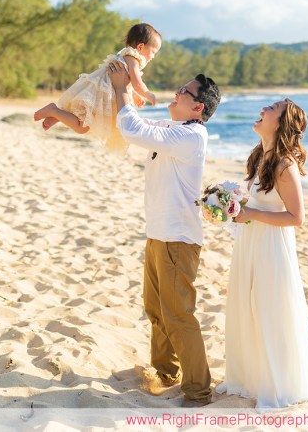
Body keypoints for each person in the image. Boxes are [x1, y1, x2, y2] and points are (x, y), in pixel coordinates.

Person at [108, 62, 221, 408]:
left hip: (178, 238)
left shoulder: (190, 136)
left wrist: (120, 88)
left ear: (198, 106)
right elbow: (133, 124)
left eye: (183, 91)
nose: (176, 93)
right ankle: (166, 372)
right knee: (155, 309)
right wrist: (123, 92)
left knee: (178, 315)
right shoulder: (176, 128)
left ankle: (199, 390)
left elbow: (134, 130)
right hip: (159, 233)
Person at [215, 99, 308, 410]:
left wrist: (249, 213)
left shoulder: (284, 165)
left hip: (271, 248)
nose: (264, 108)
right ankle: (252, 376)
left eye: (272, 107)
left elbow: (296, 217)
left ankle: (280, 381)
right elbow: (253, 205)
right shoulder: (259, 156)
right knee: (248, 307)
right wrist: (230, 205)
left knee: (269, 309)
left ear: (279, 123)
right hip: (250, 244)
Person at [33, 23, 161, 150]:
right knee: (82, 127)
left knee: (81, 122)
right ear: (140, 47)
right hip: (101, 95)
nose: (153, 56)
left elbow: (126, 81)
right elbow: (137, 83)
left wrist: (135, 95)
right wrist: (148, 94)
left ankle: (57, 115)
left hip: (100, 92)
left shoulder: (125, 56)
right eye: (153, 52)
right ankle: (54, 111)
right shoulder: (133, 60)